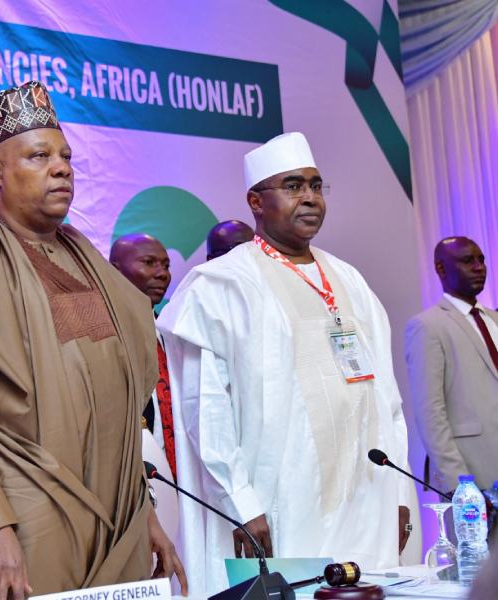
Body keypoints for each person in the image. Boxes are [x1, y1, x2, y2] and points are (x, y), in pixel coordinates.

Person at [0, 81, 186, 599]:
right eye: (39, 156)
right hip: (27, 519)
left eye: (65, 156)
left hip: (119, 520)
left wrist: (144, 515)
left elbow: (122, 409)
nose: (62, 168)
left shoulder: (90, 261)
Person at [157, 132, 410, 594]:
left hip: (364, 497)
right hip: (277, 503)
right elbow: (205, 409)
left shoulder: (350, 279)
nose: (310, 197)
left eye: (316, 185)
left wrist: (399, 494)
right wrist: (239, 503)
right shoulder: (221, 285)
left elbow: (386, 399)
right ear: (256, 201)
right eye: (293, 186)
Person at [405, 237, 498, 494]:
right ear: (441, 269)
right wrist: (460, 486)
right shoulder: (427, 327)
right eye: (468, 261)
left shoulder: (495, 319)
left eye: (481, 259)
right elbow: (430, 414)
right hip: (475, 475)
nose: (480, 267)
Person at [110, 233, 177, 477]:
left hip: (178, 477)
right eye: (149, 263)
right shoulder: (103, 335)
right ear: (114, 271)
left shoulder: (168, 329)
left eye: (166, 265)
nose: (162, 273)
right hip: (129, 471)